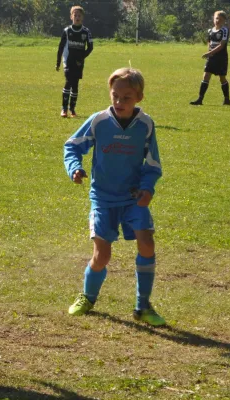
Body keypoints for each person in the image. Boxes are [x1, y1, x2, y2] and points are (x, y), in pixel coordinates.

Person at [63, 67, 165, 326]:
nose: (119, 102)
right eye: (115, 96)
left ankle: (142, 305)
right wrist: (74, 168)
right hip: (103, 198)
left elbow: (152, 164)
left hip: (133, 198)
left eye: (126, 97)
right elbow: (72, 146)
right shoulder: (99, 121)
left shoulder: (145, 125)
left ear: (139, 97)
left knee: (147, 243)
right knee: (102, 255)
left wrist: (148, 188)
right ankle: (87, 296)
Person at [56, 5, 93, 118]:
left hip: (79, 62)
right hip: (68, 61)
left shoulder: (86, 32)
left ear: (82, 17)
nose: (77, 17)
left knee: (75, 85)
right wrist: (58, 62)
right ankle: (64, 109)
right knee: (68, 82)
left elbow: (90, 47)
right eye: (75, 15)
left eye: (79, 15)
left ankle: (72, 109)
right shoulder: (67, 31)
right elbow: (61, 47)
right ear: (71, 16)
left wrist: (82, 57)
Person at [190, 10, 230, 106]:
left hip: (221, 58)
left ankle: (227, 99)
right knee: (206, 76)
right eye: (216, 18)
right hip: (211, 57)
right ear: (213, 19)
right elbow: (209, 42)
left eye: (220, 19)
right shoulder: (210, 30)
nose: (218, 21)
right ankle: (200, 99)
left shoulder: (224, 30)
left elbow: (222, 45)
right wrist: (209, 51)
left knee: (222, 78)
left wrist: (209, 53)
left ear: (224, 21)